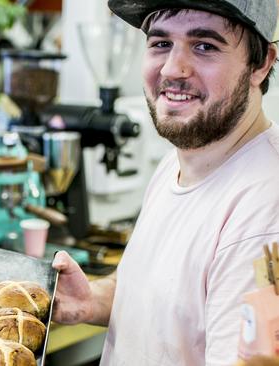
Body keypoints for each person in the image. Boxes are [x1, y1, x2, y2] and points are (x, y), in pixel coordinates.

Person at [51, 0, 279, 365]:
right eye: (160, 43)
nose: (173, 68)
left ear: (261, 63)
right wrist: (90, 301)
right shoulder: (175, 162)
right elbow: (166, 305)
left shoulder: (264, 214)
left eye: (204, 46)